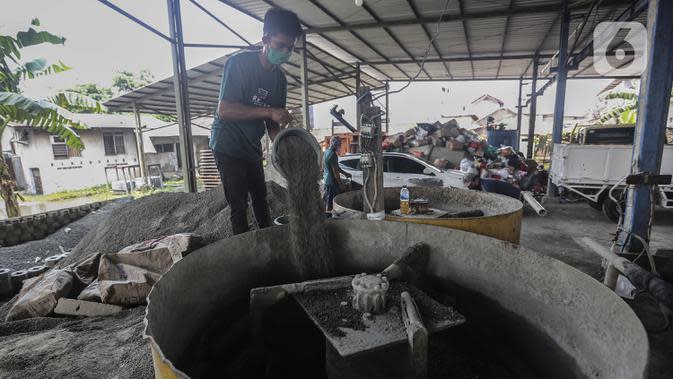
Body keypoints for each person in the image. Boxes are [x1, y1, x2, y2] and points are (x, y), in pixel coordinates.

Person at [210, 8, 302, 235]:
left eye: (290, 48)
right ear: (265, 39)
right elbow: (225, 110)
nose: (285, 52)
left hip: (251, 148)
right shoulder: (240, 65)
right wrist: (270, 112)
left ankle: (268, 239)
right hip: (228, 145)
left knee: (261, 198)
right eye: (280, 45)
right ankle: (243, 250)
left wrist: (283, 146)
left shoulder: (279, 79)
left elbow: (272, 123)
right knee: (238, 205)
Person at [323, 136, 352, 211]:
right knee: (332, 202)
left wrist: (345, 173)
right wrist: (340, 184)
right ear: (335, 144)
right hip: (332, 182)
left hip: (326, 180)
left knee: (327, 200)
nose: (339, 146)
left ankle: (328, 213)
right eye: (339, 144)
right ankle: (330, 216)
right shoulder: (333, 155)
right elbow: (335, 172)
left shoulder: (326, 152)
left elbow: (337, 168)